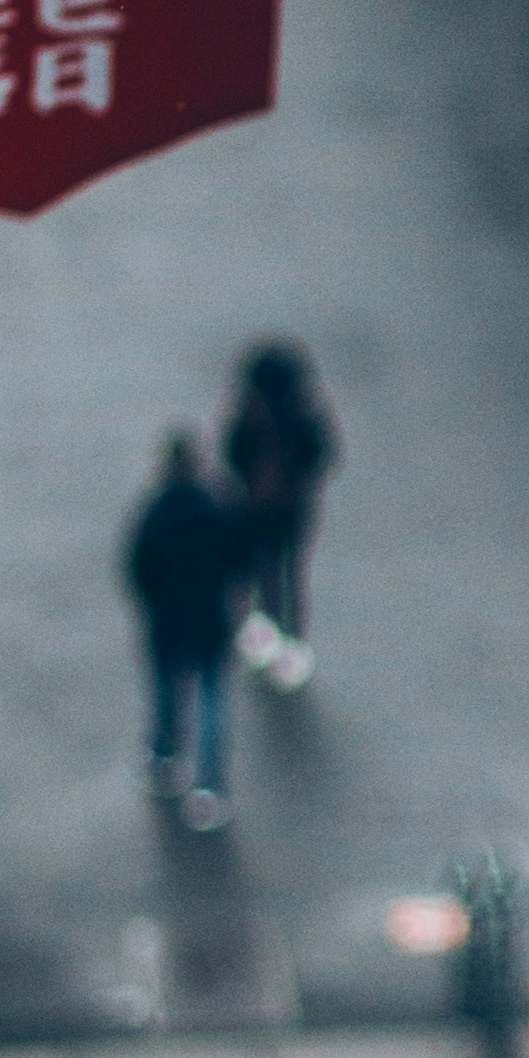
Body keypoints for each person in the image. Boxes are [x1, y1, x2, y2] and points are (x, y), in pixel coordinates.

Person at [125, 430, 245, 831]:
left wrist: (154, 602)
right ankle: (210, 788)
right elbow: (237, 561)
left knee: (166, 691)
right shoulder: (217, 510)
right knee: (211, 703)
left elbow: (138, 568)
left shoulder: (156, 514)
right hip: (210, 621)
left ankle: (166, 756)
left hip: (168, 622)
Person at [224, 343, 338, 692]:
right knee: (288, 576)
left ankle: (271, 639)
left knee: (267, 575)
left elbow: (232, 454)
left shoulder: (251, 417)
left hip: (260, 512)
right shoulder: (302, 417)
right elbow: (323, 455)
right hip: (290, 511)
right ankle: (290, 644)